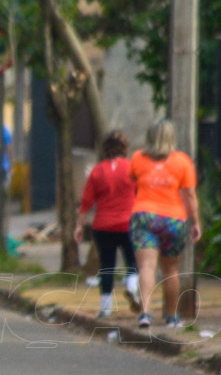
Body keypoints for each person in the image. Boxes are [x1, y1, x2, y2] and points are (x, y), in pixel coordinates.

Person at [129, 118, 202, 329]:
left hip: (144, 216)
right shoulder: (182, 161)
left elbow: (133, 179)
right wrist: (196, 222)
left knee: (146, 267)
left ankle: (145, 314)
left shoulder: (137, 158)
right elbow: (189, 195)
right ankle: (172, 317)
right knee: (171, 269)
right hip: (173, 220)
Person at [73, 130, 140, 318]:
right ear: (125, 149)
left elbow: (86, 202)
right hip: (128, 224)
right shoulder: (132, 169)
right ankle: (132, 287)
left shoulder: (97, 170)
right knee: (133, 260)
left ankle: (106, 308)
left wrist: (79, 226)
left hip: (103, 226)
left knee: (107, 265)